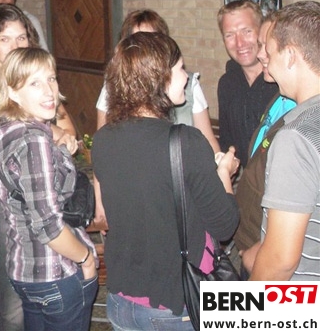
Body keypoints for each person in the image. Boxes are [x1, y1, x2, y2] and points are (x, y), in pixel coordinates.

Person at [92, 32, 239, 329]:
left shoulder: (103, 139)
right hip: (172, 306)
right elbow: (224, 226)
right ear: (160, 79)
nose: (187, 77)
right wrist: (224, 173)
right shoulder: (185, 142)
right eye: (181, 68)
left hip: (121, 302)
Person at [0, 4, 77, 331]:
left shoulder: (38, 81)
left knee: (41, 291)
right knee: (13, 301)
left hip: (42, 197)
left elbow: (71, 132)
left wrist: (55, 131)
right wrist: (50, 132)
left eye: (22, 37)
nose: (15, 45)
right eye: (5, 39)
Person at [0, 47, 97, 331]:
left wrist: (60, 147)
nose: (49, 91)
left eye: (51, 78)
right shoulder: (33, 140)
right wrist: (86, 258)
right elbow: (48, 226)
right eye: (34, 83)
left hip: (24, 268)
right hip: (55, 271)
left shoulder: (6, 128)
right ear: (12, 92)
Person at [248, 1, 320, 280]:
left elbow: (280, 260)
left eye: (269, 51)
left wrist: (246, 303)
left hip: (300, 297)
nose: (263, 57)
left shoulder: (297, 138)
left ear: (290, 56)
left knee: (209, 305)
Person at [96, 9, 220, 153]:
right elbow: (102, 143)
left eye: (151, 42)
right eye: (138, 43)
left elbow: (209, 142)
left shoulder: (187, 84)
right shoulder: (113, 86)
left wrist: (219, 162)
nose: (145, 50)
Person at [233, 13, 296, 265]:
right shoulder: (279, 96)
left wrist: (259, 257)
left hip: (266, 255)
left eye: (266, 47)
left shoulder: (303, 122)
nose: (260, 54)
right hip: (249, 237)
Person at [217, 0, 278, 167]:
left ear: (262, 32)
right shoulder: (227, 84)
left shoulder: (282, 82)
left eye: (247, 31)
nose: (240, 43)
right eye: (230, 35)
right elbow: (227, 143)